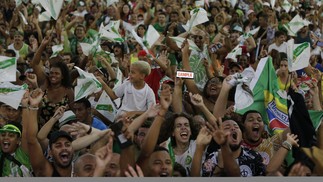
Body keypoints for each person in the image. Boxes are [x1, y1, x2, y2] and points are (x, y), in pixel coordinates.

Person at [26, 88, 74, 177]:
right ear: (50, 152)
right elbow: (32, 140)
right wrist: (34, 106)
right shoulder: (45, 171)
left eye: (67, 144)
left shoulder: (80, 169)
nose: (64, 148)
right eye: (58, 145)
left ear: (73, 149)